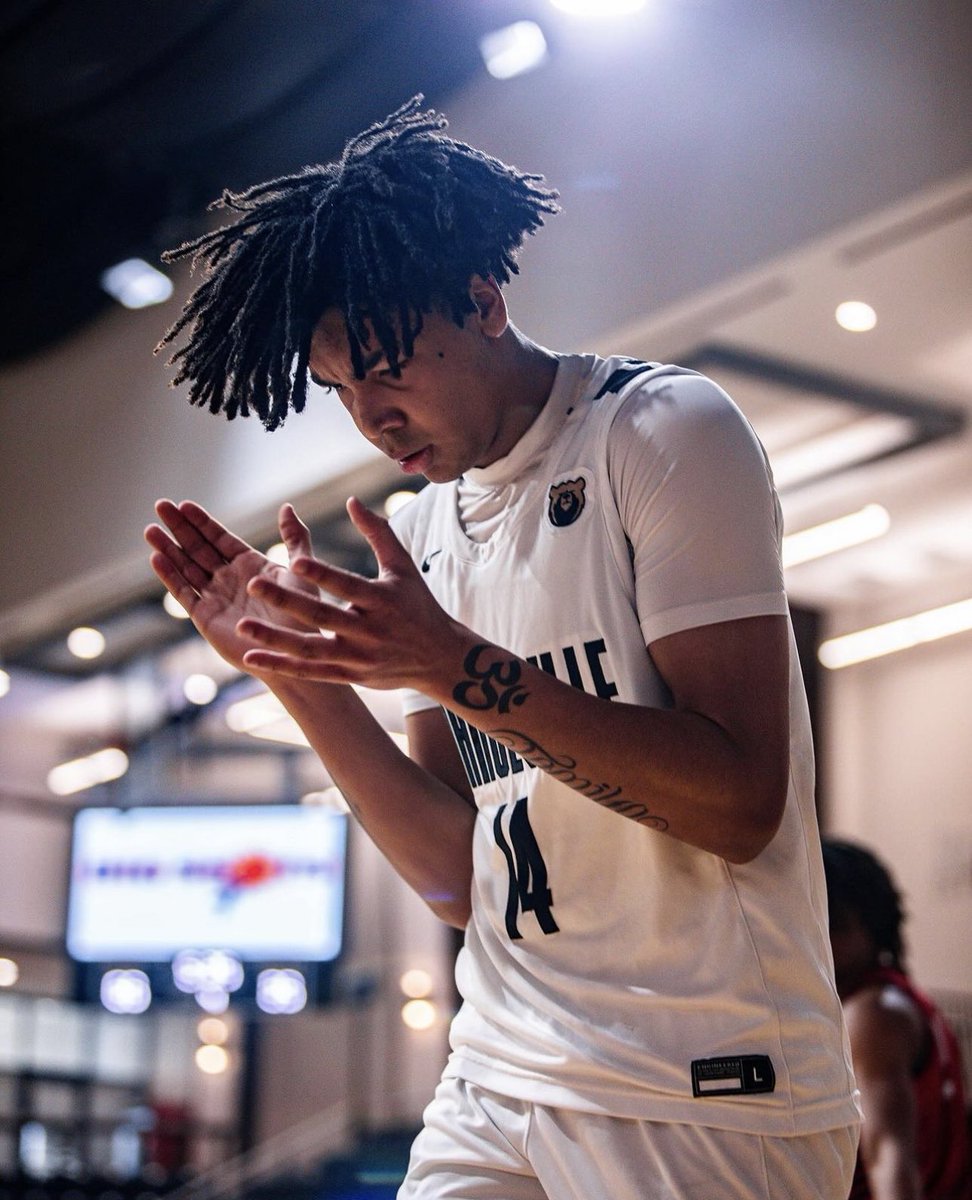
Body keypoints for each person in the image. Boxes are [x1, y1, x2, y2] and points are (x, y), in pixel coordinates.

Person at [145, 97, 860, 1198]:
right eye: (339, 390)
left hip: (703, 1085)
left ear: (485, 301)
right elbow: (454, 879)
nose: (370, 419)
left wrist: (455, 667)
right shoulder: (422, 531)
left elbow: (742, 802)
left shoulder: (661, 432)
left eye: (387, 369)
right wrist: (300, 681)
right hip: (499, 1069)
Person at [822, 837, 972, 1199]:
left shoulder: (871, 1014)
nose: (820, 935)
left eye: (834, 923)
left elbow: (887, 1156)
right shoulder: (893, 997)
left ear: (872, 928)